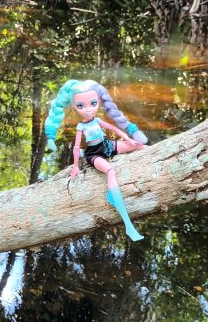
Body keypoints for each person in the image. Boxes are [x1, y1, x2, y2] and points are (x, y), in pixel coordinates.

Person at [44, 79, 147, 241]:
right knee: (110, 171)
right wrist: (76, 166)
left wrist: (129, 138)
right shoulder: (81, 127)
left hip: (107, 145)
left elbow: (113, 128)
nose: (88, 110)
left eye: (93, 104)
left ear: (99, 101)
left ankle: (118, 201)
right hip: (94, 154)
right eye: (81, 106)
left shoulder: (98, 121)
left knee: (139, 145)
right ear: (74, 106)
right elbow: (76, 147)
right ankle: (127, 223)